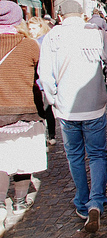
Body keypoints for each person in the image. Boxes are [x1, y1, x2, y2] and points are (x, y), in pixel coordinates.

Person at [38, 0, 107, 233]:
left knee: (75, 156)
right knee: (97, 155)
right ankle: (96, 202)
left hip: (66, 108)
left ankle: (82, 202)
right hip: (94, 105)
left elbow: (45, 76)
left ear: (61, 16)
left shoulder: (53, 36)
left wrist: (54, 99)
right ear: (82, 14)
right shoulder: (96, 34)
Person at [0, 1, 46, 238]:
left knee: (1, 161)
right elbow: (42, 76)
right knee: (22, 158)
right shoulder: (29, 45)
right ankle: (19, 202)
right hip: (24, 112)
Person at [28, 16, 56, 145]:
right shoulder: (32, 41)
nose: (31, 31)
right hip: (38, 82)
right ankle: (49, 135)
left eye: (34, 28)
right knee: (45, 109)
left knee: (45, 109)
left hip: (42, 81)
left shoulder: (42, 40)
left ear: (40, 27)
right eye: (29, 28)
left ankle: (49, 135)